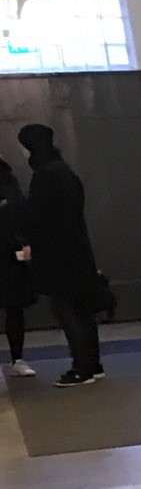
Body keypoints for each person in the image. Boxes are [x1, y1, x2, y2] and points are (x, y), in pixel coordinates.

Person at [17, 124, 104, 386]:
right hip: (77, 250)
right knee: (83, 310)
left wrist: (23, 233)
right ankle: (93, 364)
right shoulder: (65, 171)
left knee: (65, 309)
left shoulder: (44, 175)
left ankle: (81, 368)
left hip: (57, 255)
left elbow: (36, 215)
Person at [0, 158, 37, 377]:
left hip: (8, 253)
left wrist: (24, 241)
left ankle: (17, 357)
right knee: (13, 307)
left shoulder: (6, 178)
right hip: (9, 251)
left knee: (14, 307)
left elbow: (19, 211)